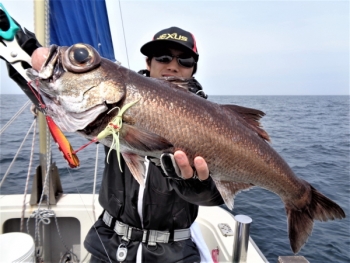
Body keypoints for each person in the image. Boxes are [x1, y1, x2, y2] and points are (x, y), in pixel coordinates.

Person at [3, 21, 224, 262]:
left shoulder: (214, 125)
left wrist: (195, 185)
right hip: (107, 245)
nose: (172, 65)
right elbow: (62, 95)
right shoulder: (113, 98)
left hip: (174, 253)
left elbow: (215, 197)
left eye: (184, 60)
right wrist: (25, 53)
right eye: (162, 57)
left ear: (193, 69)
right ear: (148, 63)